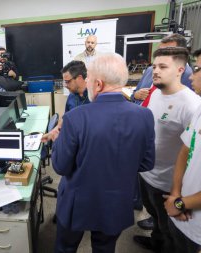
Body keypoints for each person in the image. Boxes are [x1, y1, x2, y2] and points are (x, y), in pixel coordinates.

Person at [52, 53, 155, 253]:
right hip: (116, 203)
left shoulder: (75, 118)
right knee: (104, 248)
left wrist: (58, 142)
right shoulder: (144, 116)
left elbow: (60, 166)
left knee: (66, 247)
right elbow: (147, 163)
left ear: (98, 84)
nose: (87, 82)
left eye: (88, 78)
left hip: (77, 202)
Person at [133, 47, 201, 253]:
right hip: (147, 173)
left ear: (180, 70)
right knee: (154, 216)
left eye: (163, 66)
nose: (155, 71)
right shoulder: (155, 93)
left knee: (171, 230)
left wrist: (179, 192)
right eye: (154, 66)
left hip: (168, 184)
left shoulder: (192, 105)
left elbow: (195, 153)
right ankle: (156, 241)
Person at [164, 43, 201, 253]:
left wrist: (180, 204)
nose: (192, 75)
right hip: (180, 215)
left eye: (198, 68)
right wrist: (176, 194)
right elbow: (185, 151)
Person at [131, 34, 193, 105]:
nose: (160, 56)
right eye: (159, 51)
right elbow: (134, 94)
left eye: (166, 52)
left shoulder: (190, 77)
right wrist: (136, 95)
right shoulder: (150, 70)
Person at [41, 60, 89, 142]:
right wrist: (55, 130)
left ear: (79, 79)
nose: (65, 85)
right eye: (64, 82)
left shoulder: (95, 97)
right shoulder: (72, 96)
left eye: (67, 82)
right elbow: (66, 117)